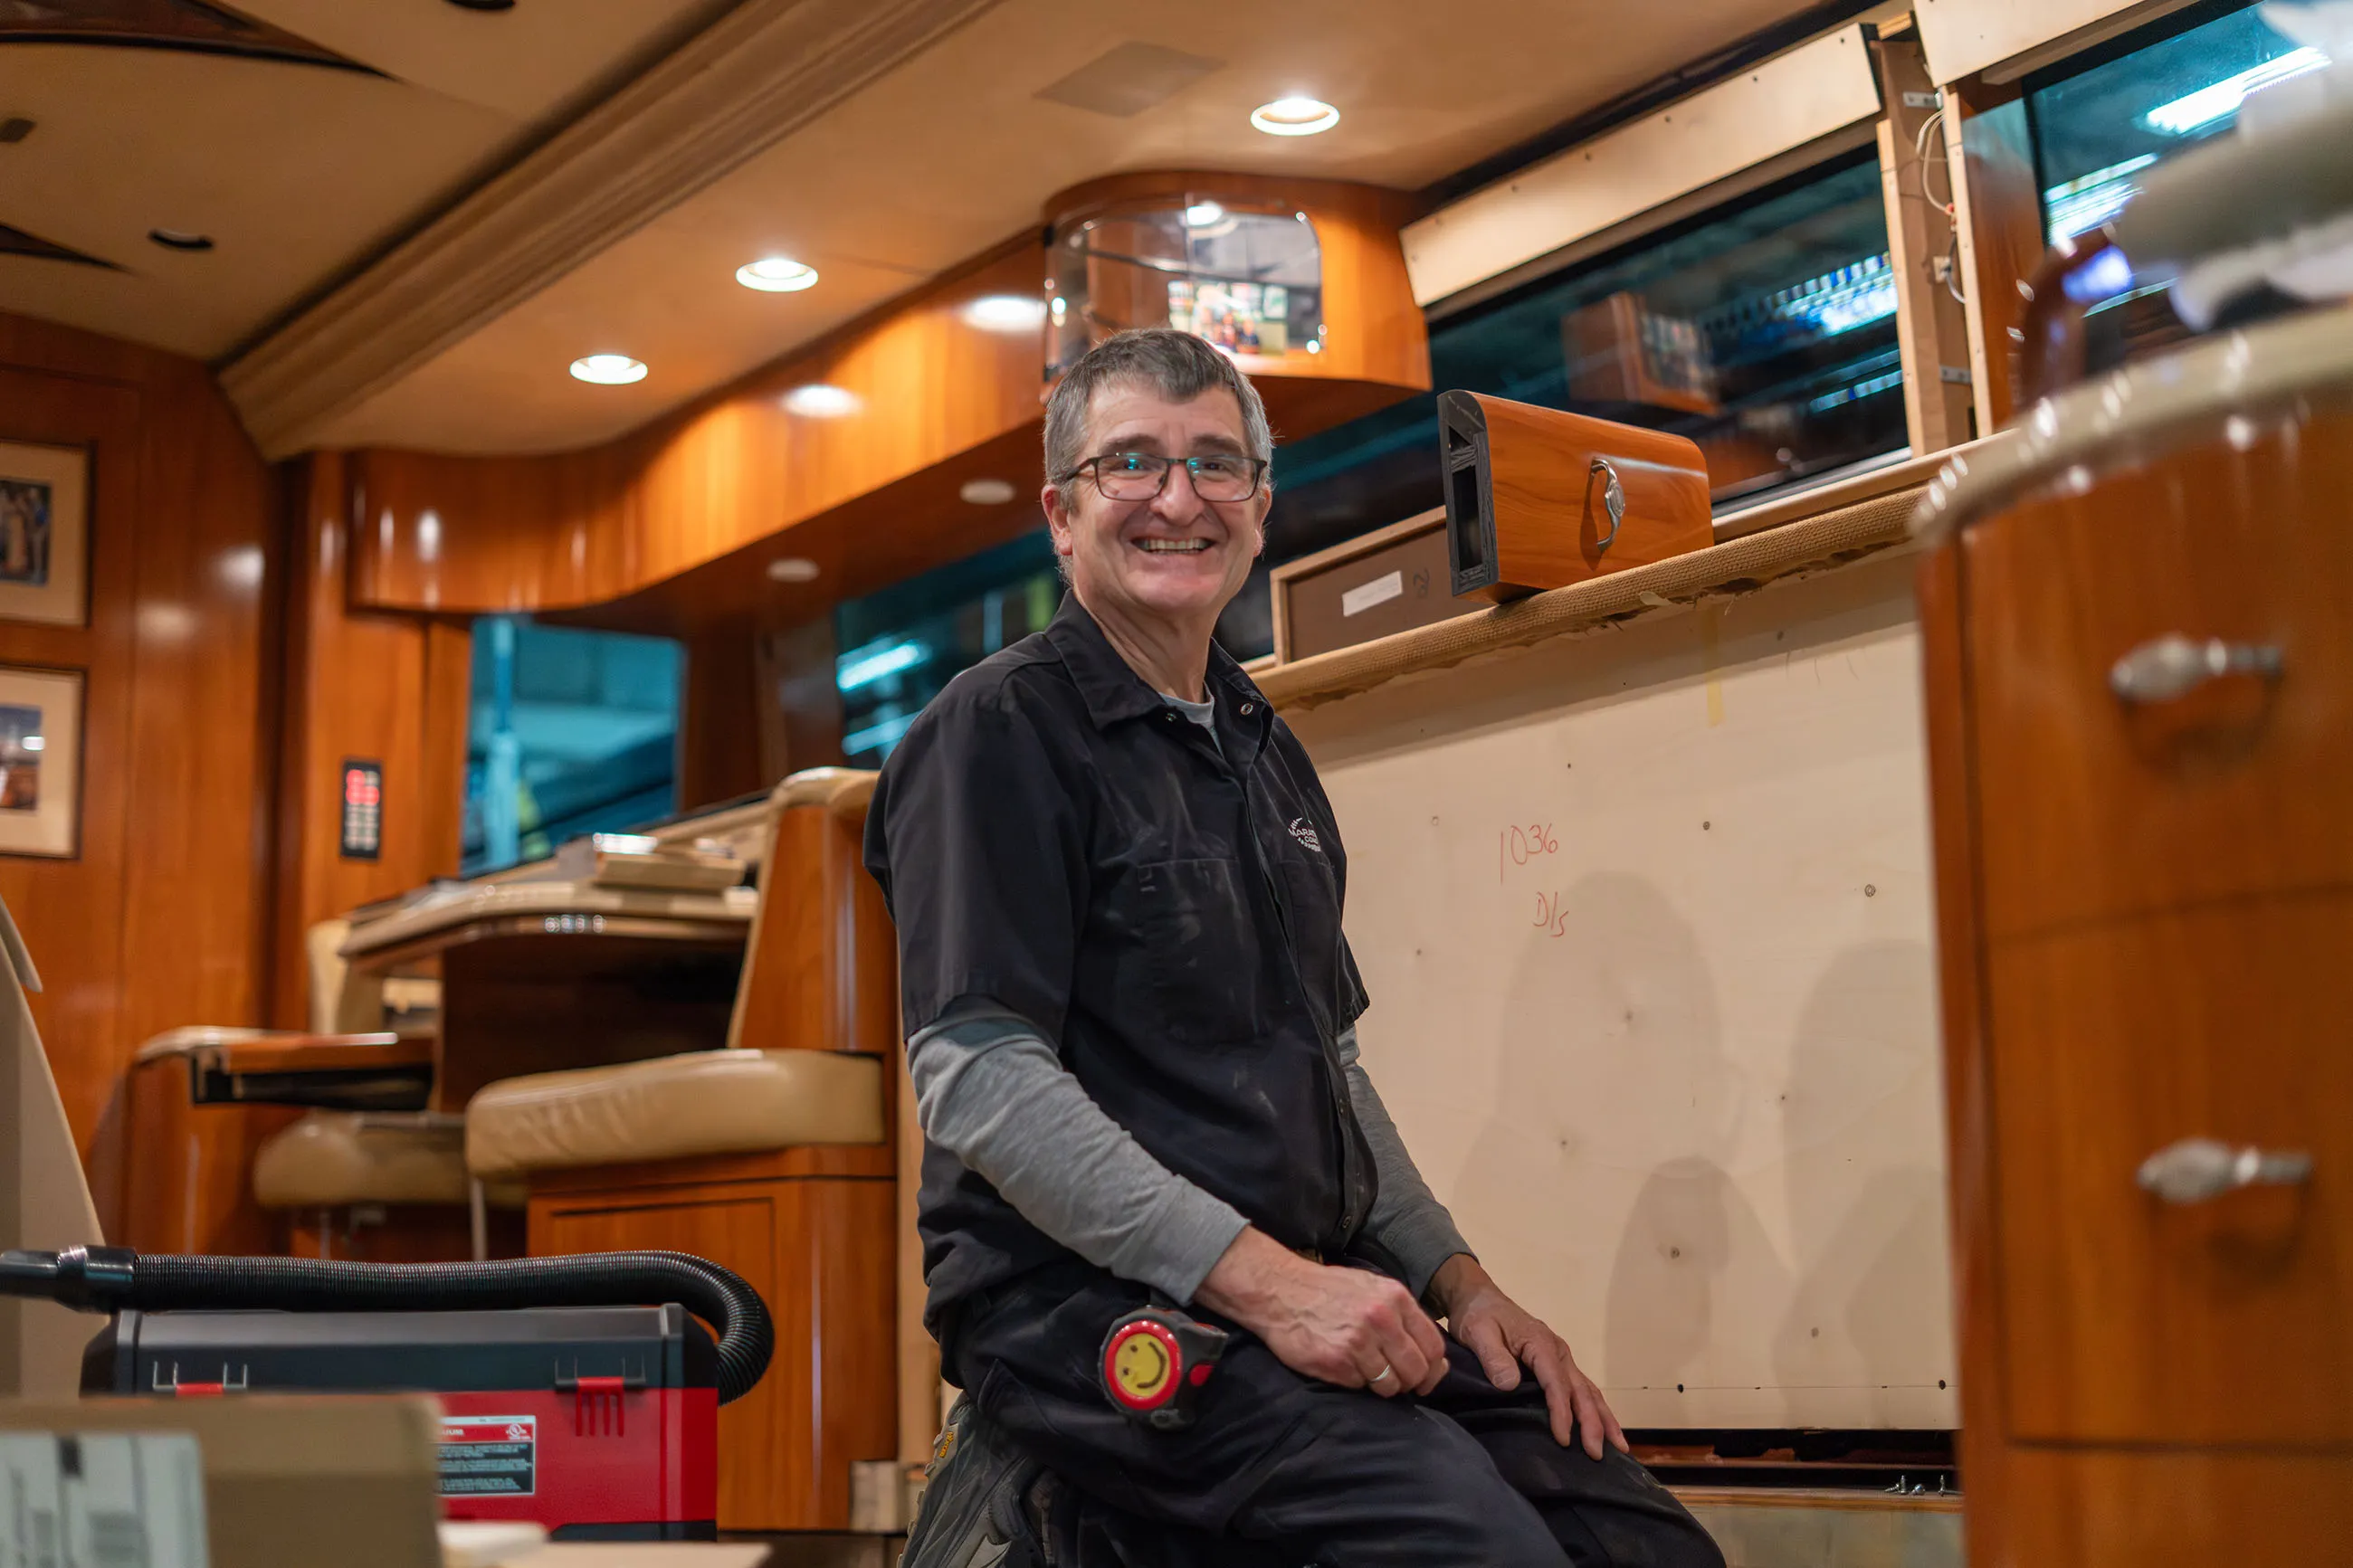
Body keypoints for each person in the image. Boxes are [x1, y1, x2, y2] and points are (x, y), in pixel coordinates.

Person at [865, 328, 1724, 1567]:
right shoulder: (997, 731)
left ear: (1260, 509)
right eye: (1133, 464)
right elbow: (980, 1082)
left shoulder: (1264, 746)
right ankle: (1047, 1507)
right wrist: (1275, 1288)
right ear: (1062, 515)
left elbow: (1335, 1065)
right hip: (1088, 1315)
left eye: (1217, 465)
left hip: (1312, 1285)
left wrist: (1463, 1287)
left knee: (1647, 1549)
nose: (1180, 498)